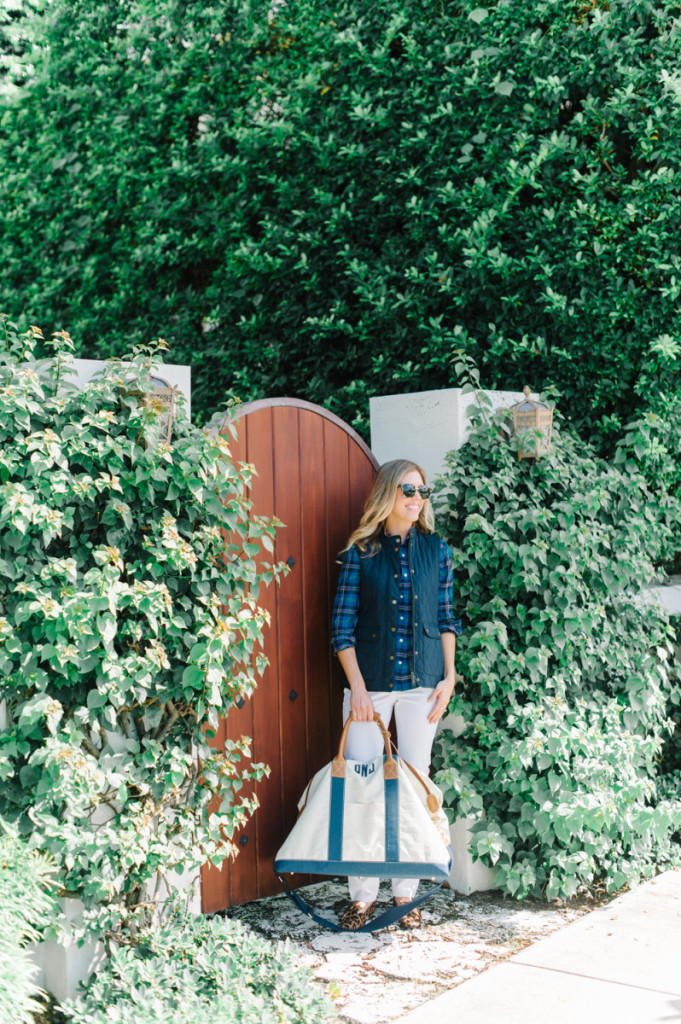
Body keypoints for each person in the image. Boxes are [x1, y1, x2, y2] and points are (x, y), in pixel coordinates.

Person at [330, 458, 461, 930]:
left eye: (423, 492)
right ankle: (362, 897)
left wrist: (448, 678)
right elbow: (341, 631)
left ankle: (406, 895)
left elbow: (447, 619)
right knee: (364, 789)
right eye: (408, 489)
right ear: (388, 493)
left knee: (413, 787)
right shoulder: (360, 552)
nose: (416, 498)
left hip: (424, 687)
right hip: (371, 690)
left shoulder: (437, 551)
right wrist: (358, 690)